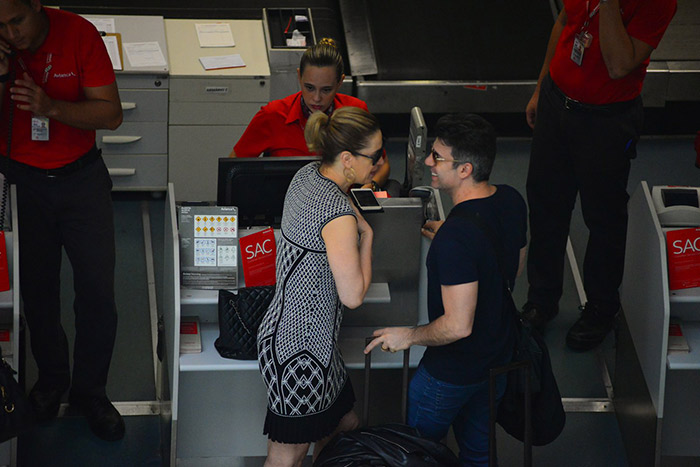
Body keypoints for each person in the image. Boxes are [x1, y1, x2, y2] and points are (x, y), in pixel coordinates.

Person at [365, 114, 527, 466]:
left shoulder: (456, 238)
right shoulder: (512, 201)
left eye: (437, 157)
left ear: (465, 169)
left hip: (450, 375)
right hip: (497, 361)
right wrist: (460, 243)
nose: (428, 163)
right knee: (479, 454)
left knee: (418, 454)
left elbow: (457, 326)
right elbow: (511, 267)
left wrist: (408, 336)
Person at [0, 0, 124, 440]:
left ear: (37, 6)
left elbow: (110, 113)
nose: (12, 34)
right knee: (37, 293)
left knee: (96, 292)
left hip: (80, 180)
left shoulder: (78, 34)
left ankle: (91, 390)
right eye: (1, 26)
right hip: (22, 183)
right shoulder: (3, 48)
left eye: (17, 21)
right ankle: (51, 381)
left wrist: (50, 107)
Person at [522, 0, 677, 351]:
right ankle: (541, 300)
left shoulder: (659, 3)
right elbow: (565, 20)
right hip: (556, 102)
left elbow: (620, 64)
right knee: (546, 205)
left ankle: (601, 309)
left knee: (604, 218)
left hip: (606, 121)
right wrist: (541, 86)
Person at [257, 106, 383, 466]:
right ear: (347, 158)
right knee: (286, 458)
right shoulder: (338, 214)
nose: (376, 165)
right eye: (373, 157)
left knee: (346, 425)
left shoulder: (307, 175)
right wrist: (368, 236)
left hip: (302, 342)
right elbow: (353, 295)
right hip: (301, 355)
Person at [230, 37, 396, 194]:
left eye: (326, 90)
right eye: (309, 88)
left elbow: (382, 165)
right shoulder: (272, 115)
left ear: (340, 82)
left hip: (345, 206)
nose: (316, 98)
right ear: (299, 77)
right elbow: (232, 171)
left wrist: (370, 187)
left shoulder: (355, 111)